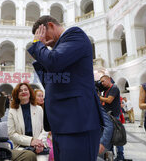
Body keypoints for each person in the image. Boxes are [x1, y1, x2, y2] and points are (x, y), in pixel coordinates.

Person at [27, 15, 102, 161]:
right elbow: (50, 81)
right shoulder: (58, 50)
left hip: (78, 123)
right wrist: (43, 54)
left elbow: (54, 62)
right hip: (62, 123)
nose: (42, 40)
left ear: (51, 25)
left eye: (42, 34)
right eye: (38, 38)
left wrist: (38, 44)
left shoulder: (74, 34)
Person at [8, 83, 49, 161]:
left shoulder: (39, 109)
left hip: (39, 146)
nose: (23, 91)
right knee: (27, 158)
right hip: (21, 146)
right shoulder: (12, 112)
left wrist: (39, 143)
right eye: (20, 91)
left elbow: (44, 129)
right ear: (17, 95)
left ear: (30, 93)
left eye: (26, 89)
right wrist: (30, 142)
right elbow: (11, 134)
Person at [99, 75, 124, 161]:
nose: (102, 83)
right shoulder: (106, 90)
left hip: (114, 116)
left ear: (109, 79)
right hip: (108, 115)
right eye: (101, 82)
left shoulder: (114, 88)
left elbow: (109, 100)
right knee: (110, 137)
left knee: (117, 136)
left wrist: (97, 97)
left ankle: (120, 156)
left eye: (103, 81)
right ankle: (111, 155)